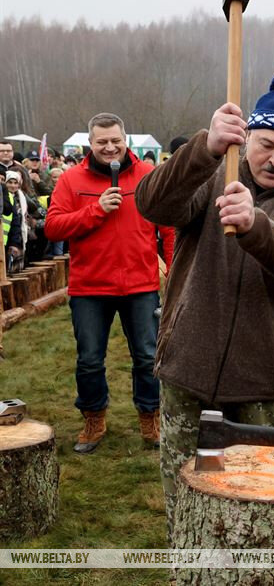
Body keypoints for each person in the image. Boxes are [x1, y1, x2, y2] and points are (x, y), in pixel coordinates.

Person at [135, 72, 274, 541]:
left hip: (266, 385)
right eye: (267, 144)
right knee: (189, 502)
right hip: (189, 372)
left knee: (271, 505)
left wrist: (255, 225)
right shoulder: (210, 179)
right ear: (247, 136)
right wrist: (203, 148)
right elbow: (152, 204)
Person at [44, 113, 175, 454]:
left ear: (125, 139)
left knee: (147, 358)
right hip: (90, 288)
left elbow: (168, 227)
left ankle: (151, 416)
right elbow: (54, 227)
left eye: (115, 140)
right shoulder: (72, 180)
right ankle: (93, 418)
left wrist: (174, 268)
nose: (110, 147)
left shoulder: (148, 175)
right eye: (102, 141)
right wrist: (96, 210)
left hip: (140, 285)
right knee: (89, 359)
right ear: (90, 143)